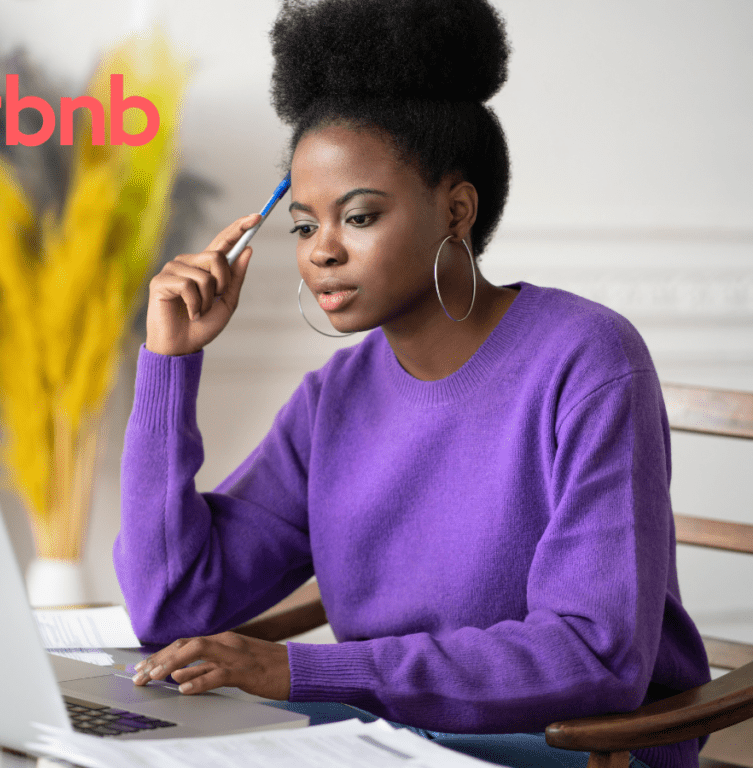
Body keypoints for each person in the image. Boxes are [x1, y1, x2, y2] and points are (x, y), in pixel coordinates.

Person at [113, 1, 711, 766]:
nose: (321, 252)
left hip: (572, 748)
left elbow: (593, 656)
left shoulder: (587, 360)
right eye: (303, 225)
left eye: (357, 217)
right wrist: (169, 364)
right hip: (386, 744)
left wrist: (300, 670)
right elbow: (172, 604)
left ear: (456, 210)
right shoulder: (335, 398)